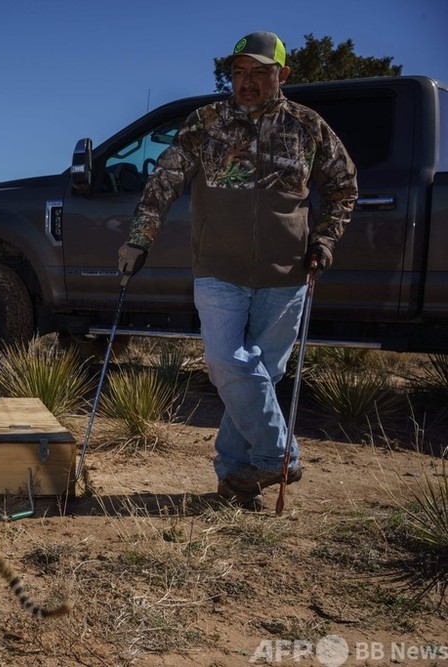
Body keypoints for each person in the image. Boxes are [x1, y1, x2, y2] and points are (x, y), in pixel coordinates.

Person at [118, 31, 358, 509]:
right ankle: (279, 454)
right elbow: (165, 177)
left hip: (287, 273)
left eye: (258, 73)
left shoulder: (308, 127)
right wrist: (138, 238)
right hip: (219, 269)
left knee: (261, 376)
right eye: (238, 72)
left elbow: (344, 187)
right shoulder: (206, 122)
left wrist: (325, 241)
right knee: (227, 362)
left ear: (282, 75)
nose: (245, 82)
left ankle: (235, 476)